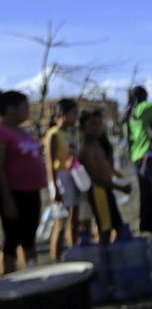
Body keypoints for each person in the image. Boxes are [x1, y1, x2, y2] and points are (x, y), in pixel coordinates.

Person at [0, 91, 47, 274]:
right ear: (11, 109)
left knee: (29, 238)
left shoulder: (22, 131)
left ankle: (32, 274)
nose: (28, 110)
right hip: (14, 193)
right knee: (11, 240)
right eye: (25, 107)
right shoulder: (2, 132)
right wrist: (7, 200)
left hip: (31, 191)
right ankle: (8, 280)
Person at [123, 85, 152, 233]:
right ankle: (150, 223)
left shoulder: (128, 114)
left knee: (145, 191)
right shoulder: (140, 110)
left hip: (136, 155)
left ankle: (146, 223)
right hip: (144, 154)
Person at [78, 109, 130, 244]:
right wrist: (119, 187)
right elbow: (96, 178)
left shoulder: (97, 145)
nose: (97, 128)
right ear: (84, 128)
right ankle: (104, 257)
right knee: (105, 228)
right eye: (93, 124)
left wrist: (118, 178)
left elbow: (106, 168)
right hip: (98, 191)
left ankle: (112, 255)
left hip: (106, 189)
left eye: (99, 124)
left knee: (117, 225)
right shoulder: (86, 149)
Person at [44, 98, 86, 260]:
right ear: (63, 114)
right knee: (60, 221)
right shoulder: (53, 134)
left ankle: (73, 251)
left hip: (72, 177)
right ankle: (56, 257)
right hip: (60, 178)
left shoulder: (69, 134)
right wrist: (55, 188)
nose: (76, 117)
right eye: (73, 113)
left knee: (74, 218)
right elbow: (50, 162)